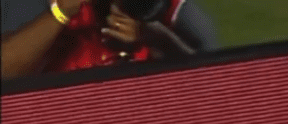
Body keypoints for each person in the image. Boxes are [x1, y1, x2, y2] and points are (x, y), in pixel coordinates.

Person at [1, 0, 219, 79]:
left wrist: (150, 38)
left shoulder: (162, 8)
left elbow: (213, 76)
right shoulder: (39, 5)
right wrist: (60, 14)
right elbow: (6, 71)